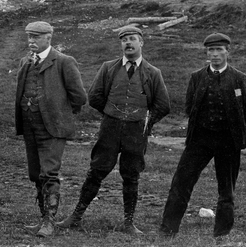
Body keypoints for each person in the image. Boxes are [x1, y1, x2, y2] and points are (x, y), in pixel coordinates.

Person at [64, 23, 171, 235]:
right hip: (110, 129)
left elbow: (163, 105)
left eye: (132, 39)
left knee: (131, 175)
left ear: (141, 42)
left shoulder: (153, 73)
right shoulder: (108, 68)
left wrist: (146, 123)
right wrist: (112, 115)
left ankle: (128, 223)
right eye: (124, 40)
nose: (128, 43)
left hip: (136, 132)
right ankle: (75, 217)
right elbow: (94, 97)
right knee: (96, 171)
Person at [158, 32, 246, 239]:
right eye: (210, 50)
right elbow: (189, 108)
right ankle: (167, 230)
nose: (214, 55)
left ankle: (221, 234)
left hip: (228, 143)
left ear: (227, 52)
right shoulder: (197, 77)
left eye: (218, 50)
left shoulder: (240, 79)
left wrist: (232, 130)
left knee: (226, 191)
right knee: (181, 183)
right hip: (199, 141)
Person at [14, 20, 89, 238]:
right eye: (29, 37)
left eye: (36, 37)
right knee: (35, 174)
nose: (31, 41)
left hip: (53, 128)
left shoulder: (64, 61)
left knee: (49, 172)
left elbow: (79, 97)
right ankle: (42, 219)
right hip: (30, 127)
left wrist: (60, 113)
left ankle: (50, 221)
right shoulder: (25, 62)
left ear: (49, 37)